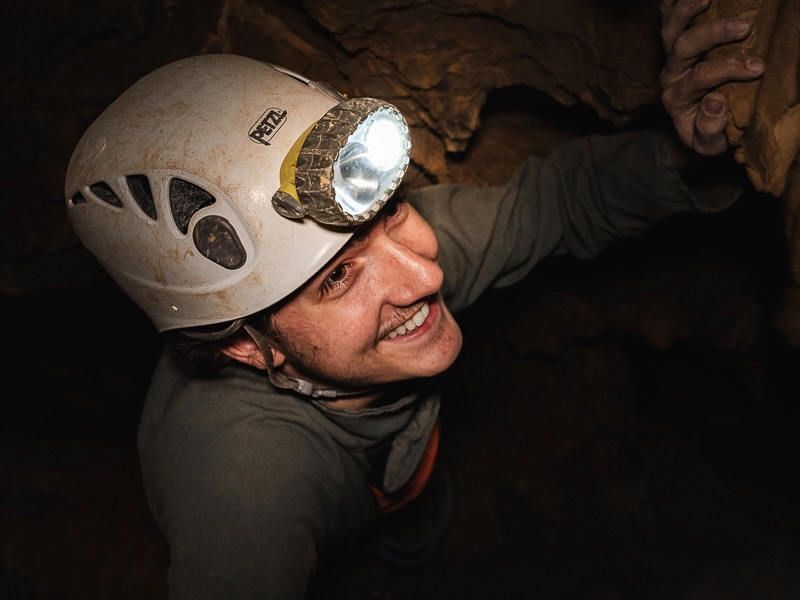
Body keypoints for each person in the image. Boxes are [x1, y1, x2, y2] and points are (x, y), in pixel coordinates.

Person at [63, 1, 765, 598]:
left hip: (396, 479)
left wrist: (692, 149)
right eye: (336, 278)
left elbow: (560, 202)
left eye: (391, 212)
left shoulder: (387, 251)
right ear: (246, 346)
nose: (423, 277)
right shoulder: (245, 501)